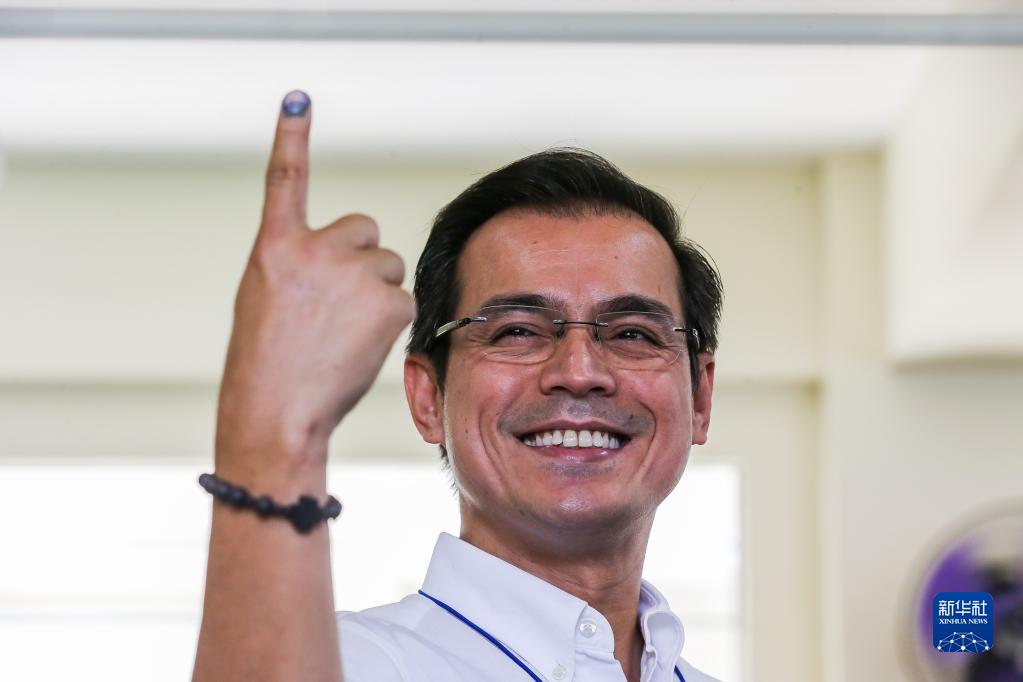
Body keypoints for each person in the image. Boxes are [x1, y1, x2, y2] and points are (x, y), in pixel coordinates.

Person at [192, 89, 723, 682]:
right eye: (517, 331)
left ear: (700, 398)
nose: (579, 372)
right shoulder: (346, 664)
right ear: (427, 397)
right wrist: (269, 430)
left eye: (632, 334)